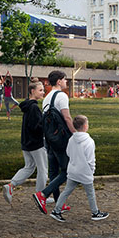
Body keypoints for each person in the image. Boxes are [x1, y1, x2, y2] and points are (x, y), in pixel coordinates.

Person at [50, 114, 108, 222]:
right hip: (85, 172)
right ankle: (95, 212)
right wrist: (92, 171)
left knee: (66, 191)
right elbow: (91, 159)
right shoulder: (89, 141)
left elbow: (68, 152)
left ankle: (56, 210)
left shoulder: (72, 139)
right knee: (90, 194)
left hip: (73, 170)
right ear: (85, 126)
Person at [34, 70, 76, 215]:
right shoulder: (62, 96)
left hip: (49, 139)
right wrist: (75, 134)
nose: (66, 82)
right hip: (61, 140)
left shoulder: (47, 97)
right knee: (67, 171)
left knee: (53, 172)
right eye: (65, 79)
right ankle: (43, 194)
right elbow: (67, 118)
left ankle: (60, 203)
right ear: (59, 81)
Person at [3, 80, 48, 203]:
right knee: (43, 170)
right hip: (36, 144)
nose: (43, 92)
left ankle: (11, 186)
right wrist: (46, 123)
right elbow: (36, 127)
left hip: (26, 143)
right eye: (40, 90)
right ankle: (40, 196)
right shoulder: (33, 107)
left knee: (29, 167)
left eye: (43, 90)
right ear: (32, 91)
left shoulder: (27, 106)